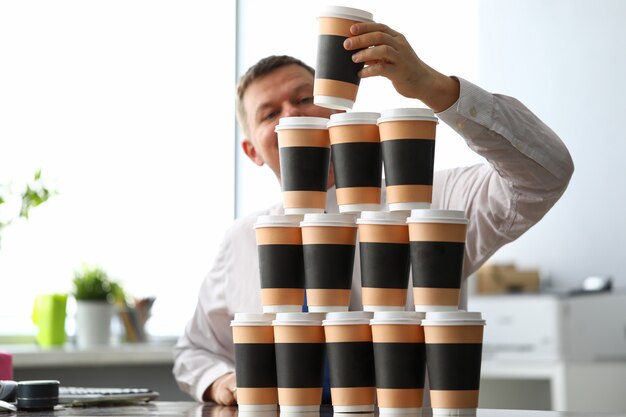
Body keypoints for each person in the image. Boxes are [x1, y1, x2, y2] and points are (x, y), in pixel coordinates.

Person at [173, 22, 574, 405]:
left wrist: (434, 87)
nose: (292, 117)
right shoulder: (242, 239)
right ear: (252, 151)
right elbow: (195, 350)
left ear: (340, 111)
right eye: (269, 113)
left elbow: (545, 173)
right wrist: (220, 382)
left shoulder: (433, 205)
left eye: (304, 98)